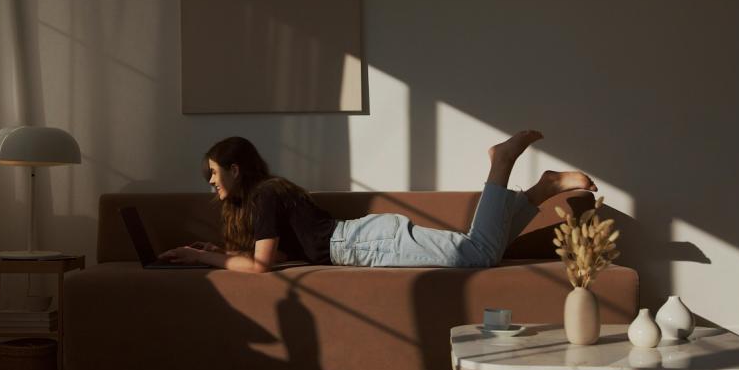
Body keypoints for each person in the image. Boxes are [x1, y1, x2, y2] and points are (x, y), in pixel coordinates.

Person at [158, 132, 597, 273]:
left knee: (478, 254)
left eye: (213, 174)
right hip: (363, 239)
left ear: (236, 170)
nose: (211, 185)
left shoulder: (266, 195)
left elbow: (261, 266)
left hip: (362, 246)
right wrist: (219, 251)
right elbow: (275, 255)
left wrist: (207, 261)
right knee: (485, 250)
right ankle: (542, 189)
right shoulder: (268, 195)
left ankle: (500, 164)